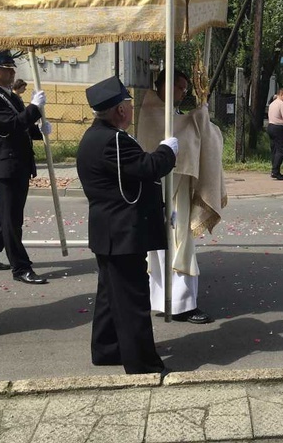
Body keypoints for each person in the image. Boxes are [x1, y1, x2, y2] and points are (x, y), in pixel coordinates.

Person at [76, 76, 177, 374]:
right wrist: (168, 150)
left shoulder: (97, 136)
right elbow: (148, 167)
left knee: (111, 297)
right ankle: (141, 363)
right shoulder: (113, 141)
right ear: (120, 110)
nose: (132, 110)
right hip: (121, 233)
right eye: (129, 105)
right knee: (132, 298)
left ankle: (107, 349)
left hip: (111, 231)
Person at [138, 69, 224, 325]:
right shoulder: (152, 111)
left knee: (178, 242)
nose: (183, 92)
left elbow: (195, 136)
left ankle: (174, 300)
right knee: (175, 243)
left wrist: (202, 116)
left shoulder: (174, 115)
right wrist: (200, 117)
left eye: (186, 88)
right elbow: (182, 137)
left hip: (178, 188)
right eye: (180, 87)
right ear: (164, 86)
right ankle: (179, 304)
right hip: (165, 190)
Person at [0, 50, 50, 284]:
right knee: (11, 220)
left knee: (6, 215)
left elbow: (23, 126)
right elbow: (7, 127)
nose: (11, 72)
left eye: (12, 68)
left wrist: (39, 130)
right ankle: (21, 268)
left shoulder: (12, 96)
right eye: (6, 69)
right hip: (4, 166)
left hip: (18, 165)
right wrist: (34, 108)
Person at [266, 89, 283, 180]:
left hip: (271, 126)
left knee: (274, 149)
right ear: (281, 94)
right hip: (280, 128)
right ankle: (275, 171)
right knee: (281, 150)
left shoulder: (272, 104)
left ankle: (274, 169)